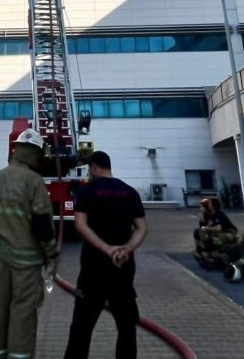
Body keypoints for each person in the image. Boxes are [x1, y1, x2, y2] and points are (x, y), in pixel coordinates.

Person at [64, 151, 147, 359]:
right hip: (123, 268)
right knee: (127, 327)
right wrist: (125, 249)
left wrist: (106, 248)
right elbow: (141, 227)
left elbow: (80, 224)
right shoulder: (129, 192)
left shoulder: (87, 191)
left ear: (93, 167)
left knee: (81, 329)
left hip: (93, 269)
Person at [0, 133, 58, 359]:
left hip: (0, 257)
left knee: (1, 310)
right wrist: (51, 256)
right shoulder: (33, 181)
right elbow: (42, 227)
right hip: (26, 263)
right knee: (23, 314)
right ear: (34, 153)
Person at [192, 198, 237, 270]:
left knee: (214, 236)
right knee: (200, 232)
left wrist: (206, 228)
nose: (208, 205)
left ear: (213, 205)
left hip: (230, 232)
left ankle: (215, 253)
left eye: (210, 203)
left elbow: (218, 228)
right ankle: (204, 252)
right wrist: (202, 221)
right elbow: (207, 226)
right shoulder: (212, 215)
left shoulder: (219, 214)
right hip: (221, 232)